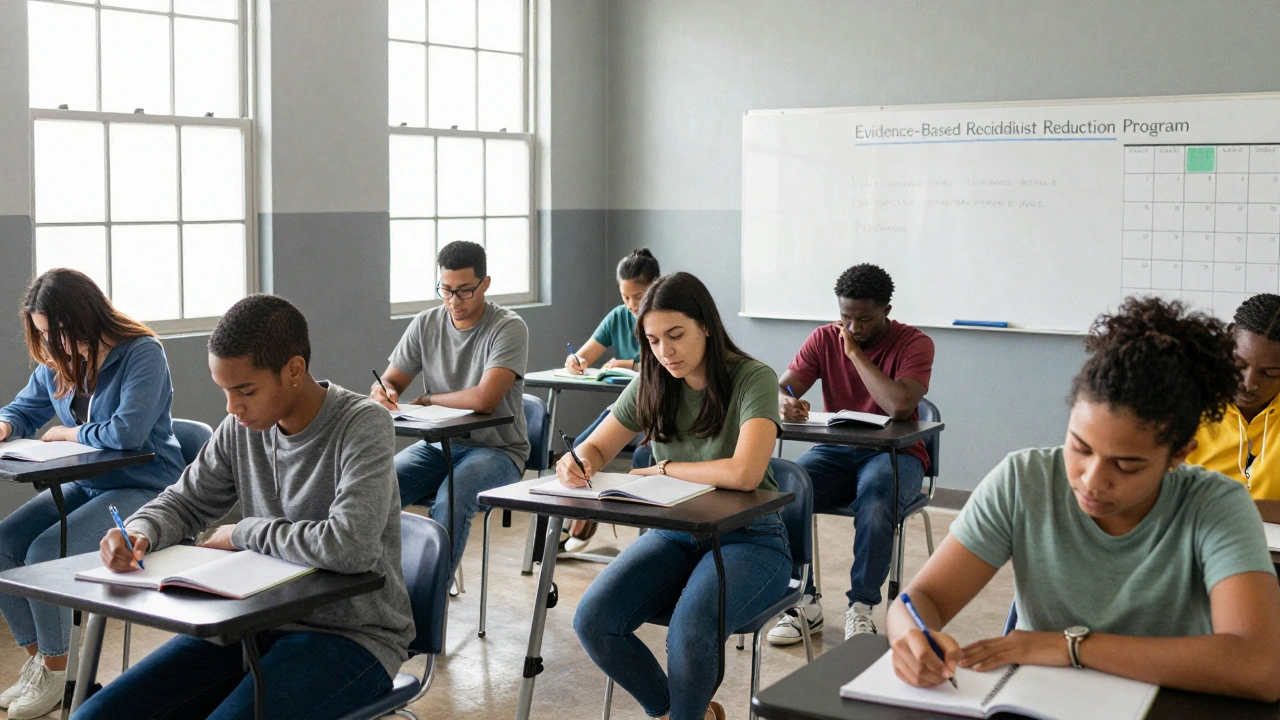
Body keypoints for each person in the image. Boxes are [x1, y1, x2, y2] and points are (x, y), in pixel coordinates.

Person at [887, 297, 1280, 702]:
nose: (1092, 481)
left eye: (1127, 466)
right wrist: (912, 636)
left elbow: (1259, 666)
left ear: (1178, 455)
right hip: (1044, 702)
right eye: (1080, 447)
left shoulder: (1216, 505)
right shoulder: (1024, 479)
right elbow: (922, 599)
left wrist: (1069, 646)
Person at [78, 294, 414, 720]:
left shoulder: (363, 424)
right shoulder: (242, 428)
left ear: (294, 370)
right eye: (225, 391)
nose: (232, 408)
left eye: (245, 390)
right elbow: (184, 500)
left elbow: (351, 546)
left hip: (352, 635)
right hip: (254, 619)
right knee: (94, 716)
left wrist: (242, 532)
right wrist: (140, 529)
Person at [562, 272, 791, 720]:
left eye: (675, 335)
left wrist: (666, 468)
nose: (664, 352)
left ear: (705, 324)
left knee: (689, 631)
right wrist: (580, 460)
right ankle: (686, 714)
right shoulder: (653, 379)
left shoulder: (753, 378)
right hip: (675, 533)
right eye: (652, 340)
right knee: (594, 620)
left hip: (752, 540)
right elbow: (599, 445)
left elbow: (744, 473)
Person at [0, 268, 183, 719]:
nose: (51, 344)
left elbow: (128, 431)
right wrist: (5, 424)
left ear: (83, 317)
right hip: (90, 482)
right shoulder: (59, 358)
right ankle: (41, 664)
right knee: (3, 544)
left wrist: (66, 432)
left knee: (45, 553)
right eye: (42, 334)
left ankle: (61, 676)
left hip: (146, 486)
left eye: (56, 332)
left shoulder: (142, 353)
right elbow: (24, 409)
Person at [769, 263, 934, 646]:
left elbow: (898, 405)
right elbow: (780, 388)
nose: (854, 327)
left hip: (898, 455)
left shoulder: (915, 344)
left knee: (876, 499)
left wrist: (856, 354)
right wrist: (783, 403)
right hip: (837, 451)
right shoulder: (822, 338)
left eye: (865, 319)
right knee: (785, 492)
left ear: (886, 311)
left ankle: (861, 607)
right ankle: (802, 602)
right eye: (846, 316)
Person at [372, 240, 529, 573]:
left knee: (451, 500)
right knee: (375, 488)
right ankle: (379, 591)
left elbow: (485, 400)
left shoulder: (508, 327)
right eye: (445, 290)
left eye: (464, 291)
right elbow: (391, 381)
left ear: (485, 284)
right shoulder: (426, 323)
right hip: (439, 445)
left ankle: (430, 600)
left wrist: (429, 399)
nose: (453, 301)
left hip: (499, 450)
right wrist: (382, 391)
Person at [563, 248, 660, 551]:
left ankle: (646, 542)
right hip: (628, 409)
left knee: (645, 455)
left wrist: (627, 364)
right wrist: (575, 360)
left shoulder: (661, 317)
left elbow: (666, 366)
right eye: (625, 296)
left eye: (639, 296)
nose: (631, 305)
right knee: (582, 445)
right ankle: (581, 518)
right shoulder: (618, 317)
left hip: (657, 409)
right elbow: (586, 353)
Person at [1185, 293, 1280, 500]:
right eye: (1239, 364)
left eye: (1270, 373)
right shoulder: (1186, 401)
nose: (1249, 383)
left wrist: (1230, 509)